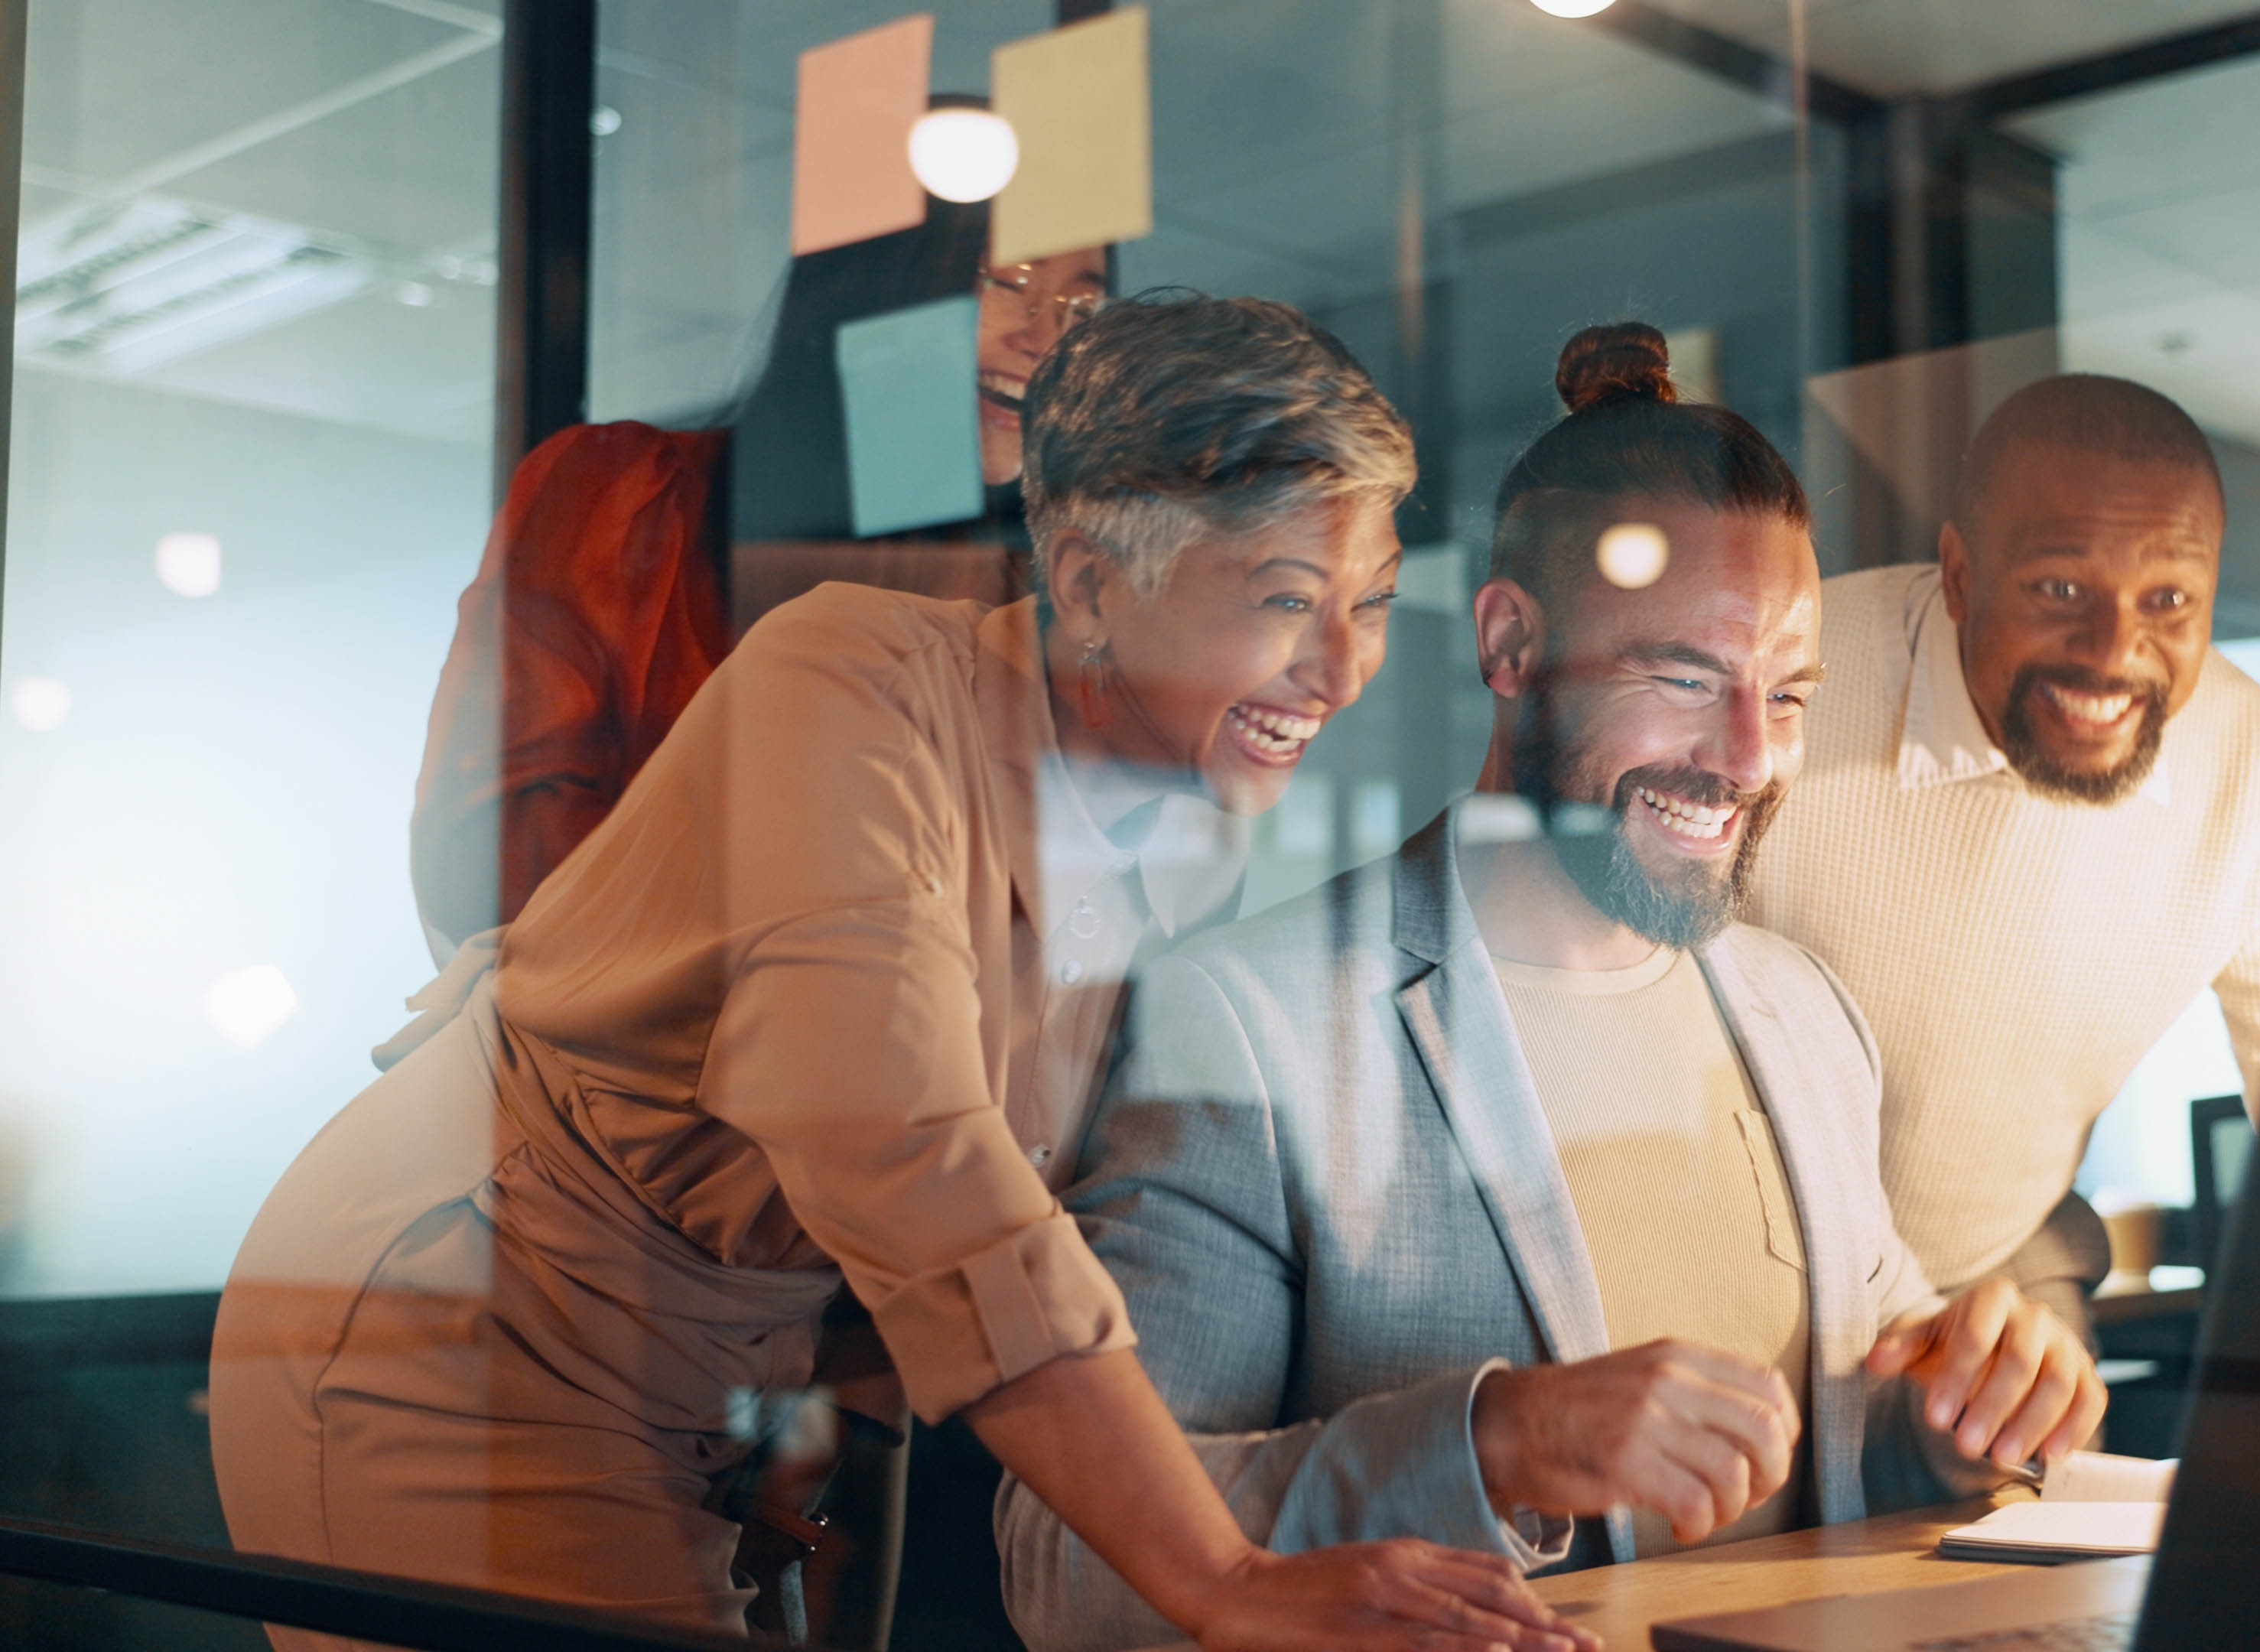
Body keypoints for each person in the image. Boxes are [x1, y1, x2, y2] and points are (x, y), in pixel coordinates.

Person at [207, 294, 1582, 1652]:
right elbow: (911, 1160)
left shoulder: (1189, 833)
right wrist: (1220, 1575)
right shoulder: (844, 687)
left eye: (1373, 604)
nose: (1339, 669)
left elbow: (971, 1207)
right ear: (1094, 585)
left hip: (723, 1387)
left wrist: (819, 1446)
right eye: (1286, 598)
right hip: (470, 1322)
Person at [995, 324, 2106, 1652]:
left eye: (1790, 692)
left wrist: (1966, 1410)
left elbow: (1839, 1462)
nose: (1749, 757)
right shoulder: (1249, 1018)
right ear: (1511, 644)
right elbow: (1066, 1566)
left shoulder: (1804, 1011)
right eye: (1683, 677)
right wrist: (1495, 1442)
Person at [1741, 374, 2260, 1327]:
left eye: (2169, 599)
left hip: (1983, 1283)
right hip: (1716, 1268)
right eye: (2061, 589)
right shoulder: (1779, 692)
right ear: (1961, 576)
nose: (2113, 651)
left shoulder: (2259, 776)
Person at [411, 161, 1110, 961]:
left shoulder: (1032, 603)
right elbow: (493, 846)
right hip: (648, 1060)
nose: (1047, 336)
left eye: (1082, 306)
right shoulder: (628, 497)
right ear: (879, 284)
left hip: (897, 1072)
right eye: (1006, 279)